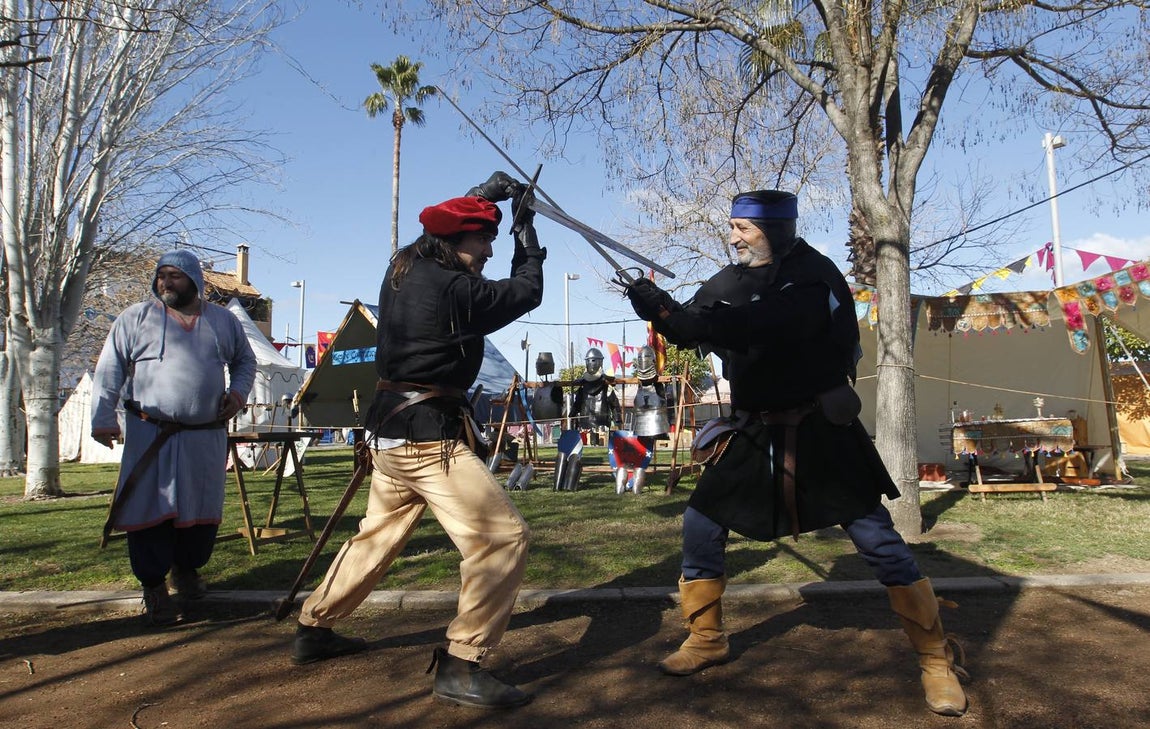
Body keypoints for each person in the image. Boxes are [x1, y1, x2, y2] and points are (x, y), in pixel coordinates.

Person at [625, 190, 968, 717]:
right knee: (700, 525)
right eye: (733, 226)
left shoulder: (815, 276)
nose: (734, 236)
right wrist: (658, 308)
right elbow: (694, 325)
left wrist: (685, 315)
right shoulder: (728, 281)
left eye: (744, 228)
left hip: (819, 432)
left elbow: (770, 322)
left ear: (777, 229)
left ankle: (935, 658)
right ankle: (707, 639)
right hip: (752, 431)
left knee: (876, 540)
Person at [291, 172, 546, 710]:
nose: (488, 250)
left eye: (494, 240)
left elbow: (440, 221)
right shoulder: (455, 287)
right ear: (456, 243)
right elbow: (527, 292)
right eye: (483, 241)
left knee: (376, 537)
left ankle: (314, 627)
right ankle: (462, 664)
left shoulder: (404, 267)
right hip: (427, 438)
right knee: (503, 538)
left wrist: (483, 195)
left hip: (388, 435)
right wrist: (526, 233)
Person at [91, 250, 256, 626]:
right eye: (161, 275)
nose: (166, 282)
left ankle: (187, 571)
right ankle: (153, 585)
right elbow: (109, 368)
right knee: (150, 510)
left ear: (195, 281)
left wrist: (239, 393)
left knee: (199, 511)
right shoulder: (135, 319)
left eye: (175, 276)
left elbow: (246, 361)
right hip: (151, 435)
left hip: (203, 436)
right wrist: (103, 418)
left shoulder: (223, 322)